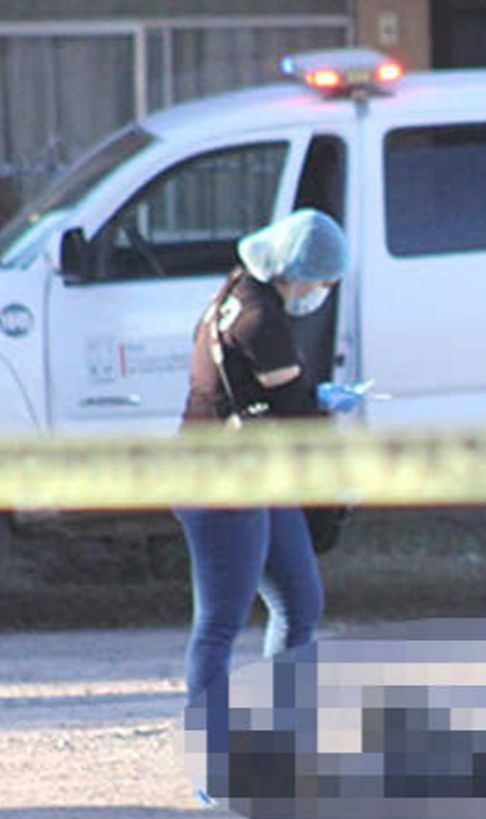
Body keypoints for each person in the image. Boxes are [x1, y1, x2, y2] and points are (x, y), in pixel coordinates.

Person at [176, 209, 369, 810]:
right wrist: (329, 419)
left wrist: (314, 399)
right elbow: (295, 420)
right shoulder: (261, 319)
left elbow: (273, 397)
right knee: (220, 624)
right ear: (298, 273)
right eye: (323, 280)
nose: (323, 291)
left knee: (299, 602)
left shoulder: (241, 289)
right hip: (220, 480)